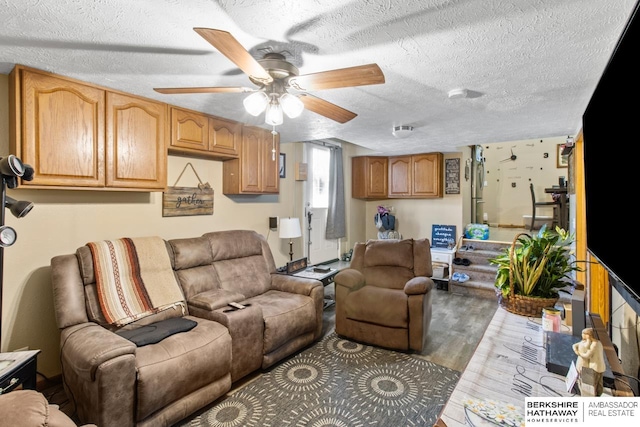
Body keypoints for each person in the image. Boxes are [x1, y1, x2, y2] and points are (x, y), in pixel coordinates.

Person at [572, 327, 606, 396]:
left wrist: (579, 353)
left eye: (584, 334)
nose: (582, 335)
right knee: (599, 384)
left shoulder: (594, 344)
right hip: (600, 366)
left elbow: (588, 355)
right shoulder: (598, 342)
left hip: (595, 367)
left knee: (594, 384)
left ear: (589, 335)